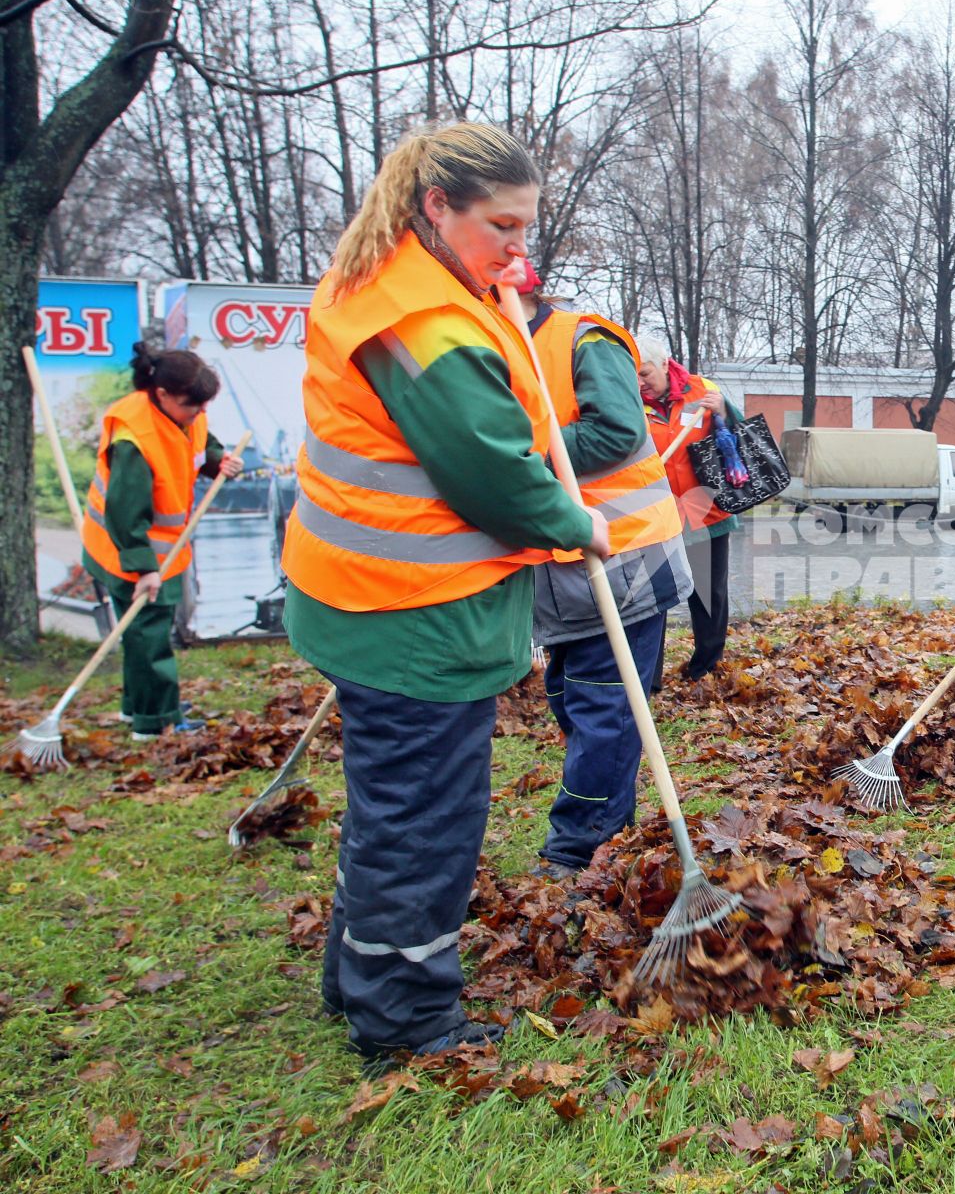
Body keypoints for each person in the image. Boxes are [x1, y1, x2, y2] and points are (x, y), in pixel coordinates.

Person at [280, 122, 611, 1063]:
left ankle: (360, 981)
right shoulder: (425, 326)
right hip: (412, 617)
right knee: (424, 821)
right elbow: (492, 476)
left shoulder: (394, 283)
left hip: (361, 600)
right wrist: (572, 521)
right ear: (437, 207)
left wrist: (496, 293)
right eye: (500, 226)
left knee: (388, 805)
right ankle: (407, 1017)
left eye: (526, 228)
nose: (519, 248)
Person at [522, 293, 691, 877]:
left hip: (624, 564)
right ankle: (609, 814)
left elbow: (615, 433)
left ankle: (580, 844)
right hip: (555, 573)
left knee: (606, 711)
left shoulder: (584, 340)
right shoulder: (489, 339)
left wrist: (507, 457)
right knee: (570, 701)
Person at [80, 344, 242, 739]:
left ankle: (138, 709)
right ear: (163, 394)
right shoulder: (132, 440)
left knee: (140, 632)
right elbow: (124, 513)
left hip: (158, 550)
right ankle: (157, 722)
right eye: (192, 405)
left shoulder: (184, 413)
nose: (199, 413)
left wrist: (218, 460)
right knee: (149, 635)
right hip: (129, 550)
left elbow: (200, 443)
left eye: (204, 406)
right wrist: (143, 570)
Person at [634, 336, 740, 687]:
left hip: (704, 513)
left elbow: (738, 435)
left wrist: (723, 411)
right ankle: (650, 676)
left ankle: (705, 668)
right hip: (655, 517)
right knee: (653, 600)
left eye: (645, 373)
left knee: (709, 596)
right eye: (634, 374)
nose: (640, 382)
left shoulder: (702, 390)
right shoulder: (631, 401)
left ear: (665, 364)